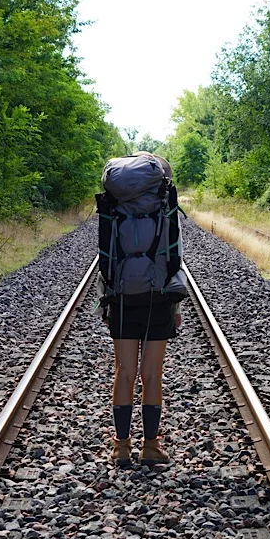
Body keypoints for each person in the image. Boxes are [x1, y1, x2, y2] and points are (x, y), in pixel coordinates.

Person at [102, 152, 182, 466]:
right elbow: (173, 254)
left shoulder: (116, 202)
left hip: (121, 296)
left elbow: (105, 251)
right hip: (159, 296)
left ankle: (121, 447)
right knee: (151, 374)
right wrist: (176, 304)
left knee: (123, 373)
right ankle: (150, 446)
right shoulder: (163, 201)